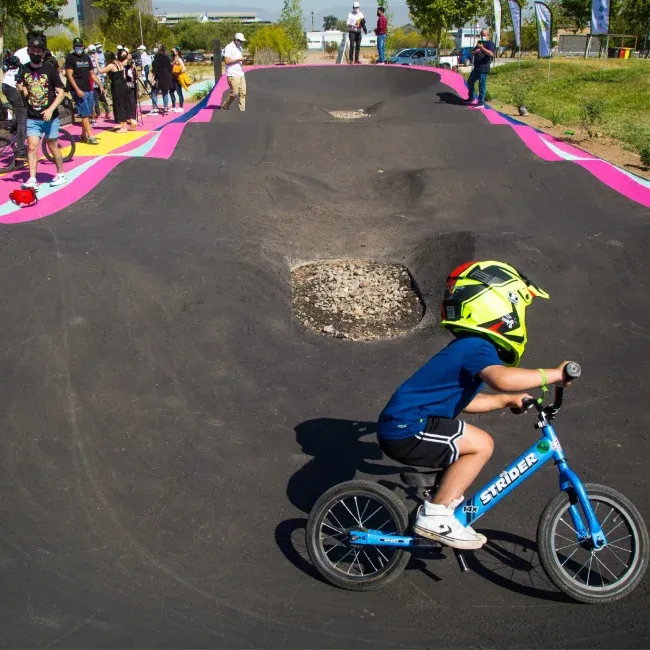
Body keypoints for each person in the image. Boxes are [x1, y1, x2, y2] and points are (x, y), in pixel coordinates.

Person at [377, 260, 572, 550]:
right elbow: (502, 378)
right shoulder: (476, 347)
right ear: (500, 307)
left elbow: (469, 402)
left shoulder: (471, 349)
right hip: (408, 425)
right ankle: (435, 516)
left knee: (471, 443)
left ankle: (441, 508)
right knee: (482, 443)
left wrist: (506, 400)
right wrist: (555, 374)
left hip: (411, 424)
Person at [16, 35, 67, 190]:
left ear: (43, 53)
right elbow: (27, 92)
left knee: (52, 145)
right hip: (33, 116)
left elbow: (61, 92)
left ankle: (60, 173)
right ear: (28, 51)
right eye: (32, 49)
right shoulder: (24, 69)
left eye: (38, 50)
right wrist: (21, 90)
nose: (35, 52)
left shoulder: (50, 69)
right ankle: (32, 178)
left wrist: (51, 109)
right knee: (31, 147)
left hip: (50, 117)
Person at [65, 37, 103, 143]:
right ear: (73, 47)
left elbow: (92, 73)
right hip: (78, 90)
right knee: (85, 113)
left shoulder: (87, 58)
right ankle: (90, 136)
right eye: (76, 46)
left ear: (83, 47)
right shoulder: (70, 58)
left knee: (88, 113)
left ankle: (83, 134)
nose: (79, 48)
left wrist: (100, 84)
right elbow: (69, 75)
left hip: (89, 89)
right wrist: (76, 89)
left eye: (80, 46)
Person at [1, 42, 31, 164]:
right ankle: (20, 151)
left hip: (8, 86)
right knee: (23, 118)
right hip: (11, 87)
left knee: (23, 111)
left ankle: (14, 126)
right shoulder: (27, 57)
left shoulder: (25, 53)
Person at [98, 49, 130, 132]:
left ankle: (123, 127)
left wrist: (95, 61)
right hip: (123, 84)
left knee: (119, 105)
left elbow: (100, 71)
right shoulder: (119, 62)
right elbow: (123, 75)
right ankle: (124, 124)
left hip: (117, 86)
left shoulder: (111, 65)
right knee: (123, 104)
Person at [464, 28, 496, 108]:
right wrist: (475, 52)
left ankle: (481, 102)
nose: (482, 37)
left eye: (484, 35)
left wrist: (482, 48)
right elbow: (472, 52)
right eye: (481, 35)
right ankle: (471, 98)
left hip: (483, 68)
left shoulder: (490, 43)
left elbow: (491, 54)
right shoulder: (479, 43)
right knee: (470, 82)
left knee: (481, 85)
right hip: (476, 68)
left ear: (488, 35)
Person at [221, 33, 247, 112]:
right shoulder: (229, 47)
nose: (241, 43)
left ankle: (242, 109)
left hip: (240, 73)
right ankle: (225, 106)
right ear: (236, 40)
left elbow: (240, 60)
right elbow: (227, 61)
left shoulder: (240, 48)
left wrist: (242, 61)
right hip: (232, 74)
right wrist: (239, 59)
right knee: (234, 93)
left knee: (243, 93)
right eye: (240, 41)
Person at [89, 43, 110, 120]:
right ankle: (107, 112)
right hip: (100, 79)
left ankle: (98, 113)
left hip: (95, 81)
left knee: (96, 98)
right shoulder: (99, 56)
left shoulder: (90, 58)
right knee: (101, 97)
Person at [151, 44, 173, 115]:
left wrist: (153, 76)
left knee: (154, 92)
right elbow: (170, 68)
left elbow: (155, 68)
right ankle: (166, 107)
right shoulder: (167, 57)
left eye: (156, 48)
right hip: (166, 77)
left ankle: (154, 108)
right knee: (165, 92)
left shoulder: (157, 57)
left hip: (159, 77)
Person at [170, 47, 186, 113]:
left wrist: (178, 73)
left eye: (173, 51)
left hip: (177, 78)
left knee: (179, 93)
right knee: (171, 92)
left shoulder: (179, 59)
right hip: (172, 78)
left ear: (177, 52)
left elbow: (184, 68)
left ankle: (181, 107)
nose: (172, 53)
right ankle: (173, 107)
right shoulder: (173, 59)